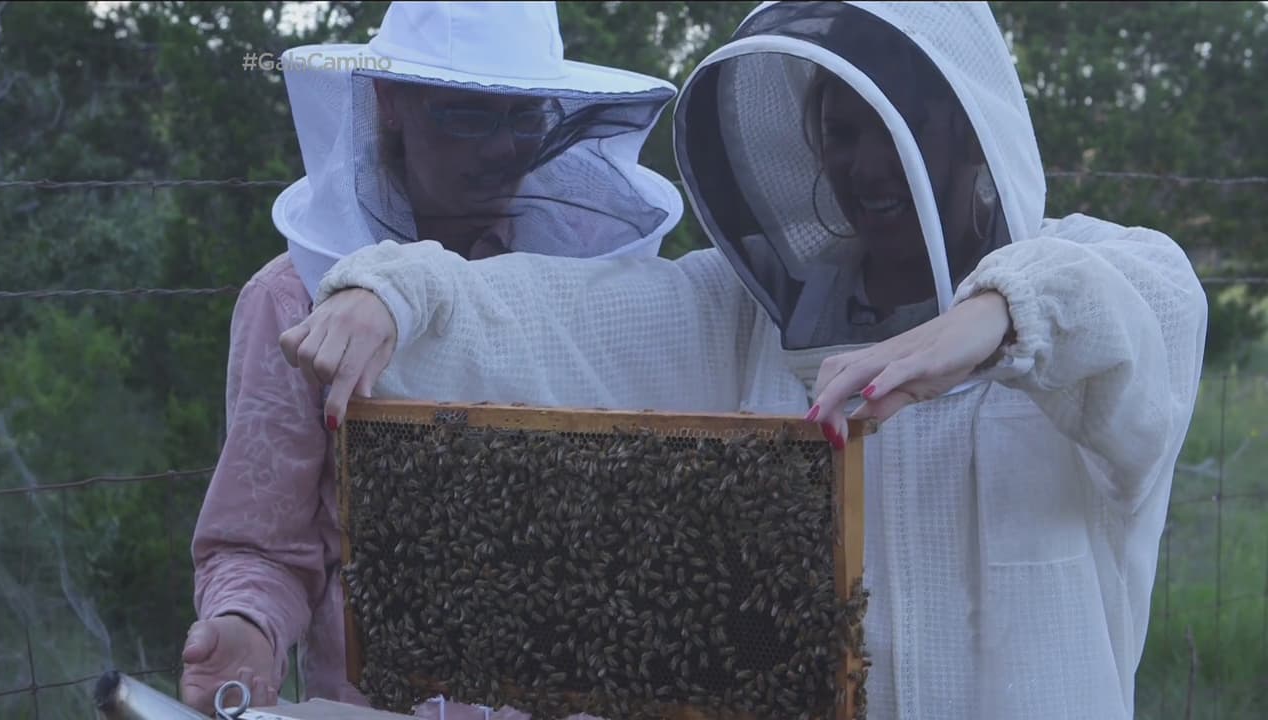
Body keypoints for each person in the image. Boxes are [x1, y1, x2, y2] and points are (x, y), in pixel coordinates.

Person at [283, 2, 1208, 719]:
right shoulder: (757, 317)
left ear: (967, 133)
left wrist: (995, 319)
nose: (865, 164)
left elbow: (1151, 297)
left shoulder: (1083, 296)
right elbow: (566, 318)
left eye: (895, 125)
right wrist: (399, 293)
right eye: (840, 133)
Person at [182, 1, 685, 714]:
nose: (502, 149)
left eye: (525, 117)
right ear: (392, 102)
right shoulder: (293, 299)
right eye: (469, 116)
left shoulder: (590, 274)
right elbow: (260, 546)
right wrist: (245, 628)